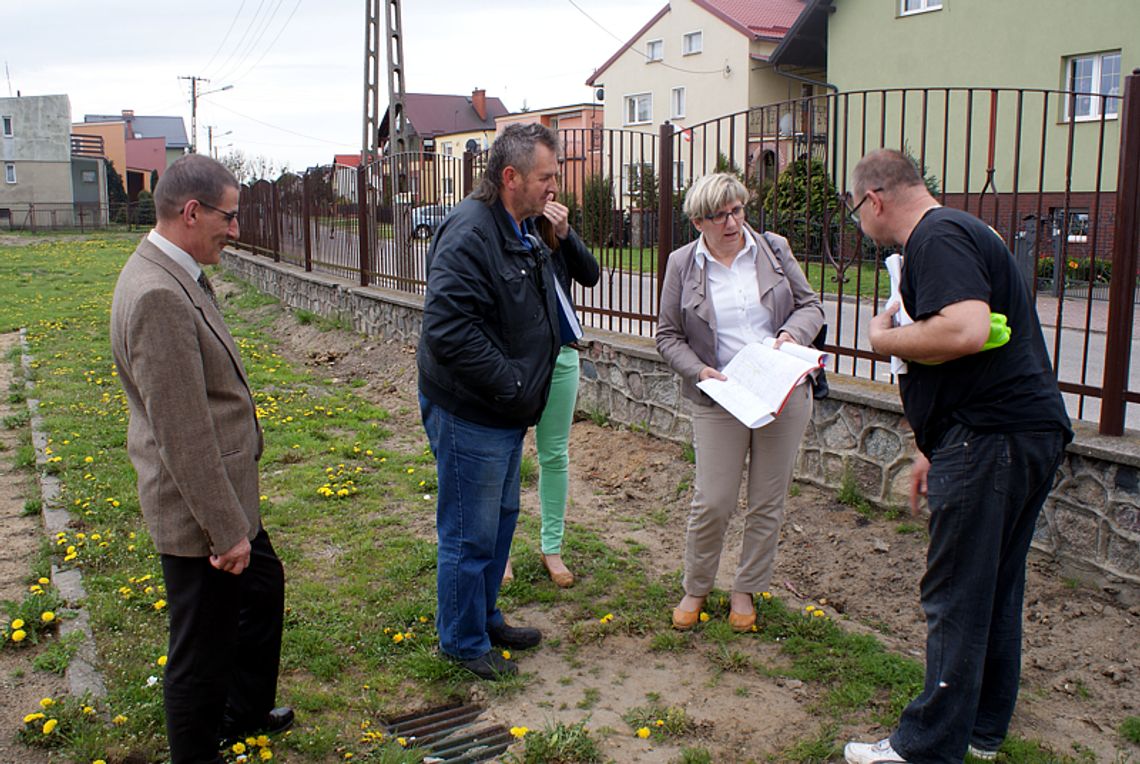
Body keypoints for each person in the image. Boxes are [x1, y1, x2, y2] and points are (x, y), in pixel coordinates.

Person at [843, 149, 1072, 764]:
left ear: (876, 200)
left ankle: (926, 747)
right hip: (1013, 433)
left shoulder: (935, 236)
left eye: (854, 208)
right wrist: (929, 446)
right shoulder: (961, 230)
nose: (858, 223)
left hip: (990, 437)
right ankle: (982, 730)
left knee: (955, 593)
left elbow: (965, 330)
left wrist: (881, 336)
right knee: (994, 585)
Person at [110, 154, 291, 763]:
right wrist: (224, 531)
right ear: (192, 212)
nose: (236, 230)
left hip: (227, 489)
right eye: (229, 216)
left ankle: (245, 712)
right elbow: (182, 433)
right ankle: (197, 753)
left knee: (262, 590)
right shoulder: (160, 293)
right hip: (200, 510)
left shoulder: (173, 270)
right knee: (202, 643)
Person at [418, 123, 577, 679]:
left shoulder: (518, 225)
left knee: (502, 517)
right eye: (546, 178)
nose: (554, 188)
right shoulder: (469, 233)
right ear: (510, 178)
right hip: (473, 409)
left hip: (505, 411)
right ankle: (461, 641)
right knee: (469, 528)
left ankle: (484, 616)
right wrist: (512, 382)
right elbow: (448, 329)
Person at [656, 172, 824, 633]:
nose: (732, 223)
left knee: (768, 499)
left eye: (737, 210)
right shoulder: (682, 264)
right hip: (720, 396)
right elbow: (667, 336)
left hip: (781, 392)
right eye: (719, 215)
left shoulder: (772, 249)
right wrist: (700, 371)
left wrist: (791, 335)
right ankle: (696, 586)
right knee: (713, 499)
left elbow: (811, 305)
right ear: (697, 222)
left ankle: (746, 589)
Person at [501, 207, 599, 589]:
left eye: (554, 185)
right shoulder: (503, 230)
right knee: (506, 454)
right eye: (544, 181)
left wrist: (566, 232)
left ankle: (551, 548)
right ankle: (501, 551)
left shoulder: (552, 234)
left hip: (562, 354)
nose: (549, 193)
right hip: (517, 360)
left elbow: (590, 275)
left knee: (555, 455)